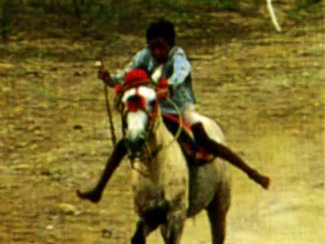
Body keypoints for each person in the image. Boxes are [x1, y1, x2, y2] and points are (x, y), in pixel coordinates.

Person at [77, 19, 271, 203]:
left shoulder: (178, 56)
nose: (157, 51)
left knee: (204, 139)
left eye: (161, 47)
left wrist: (167, 85)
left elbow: (180, 73)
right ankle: (99, 190)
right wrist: (109, 78)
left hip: (181, 107)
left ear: (170, 45)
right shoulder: (145, 55)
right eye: (153, 47)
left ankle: (251, 172)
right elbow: (126, 75)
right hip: (156, 106)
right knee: (125, 142)